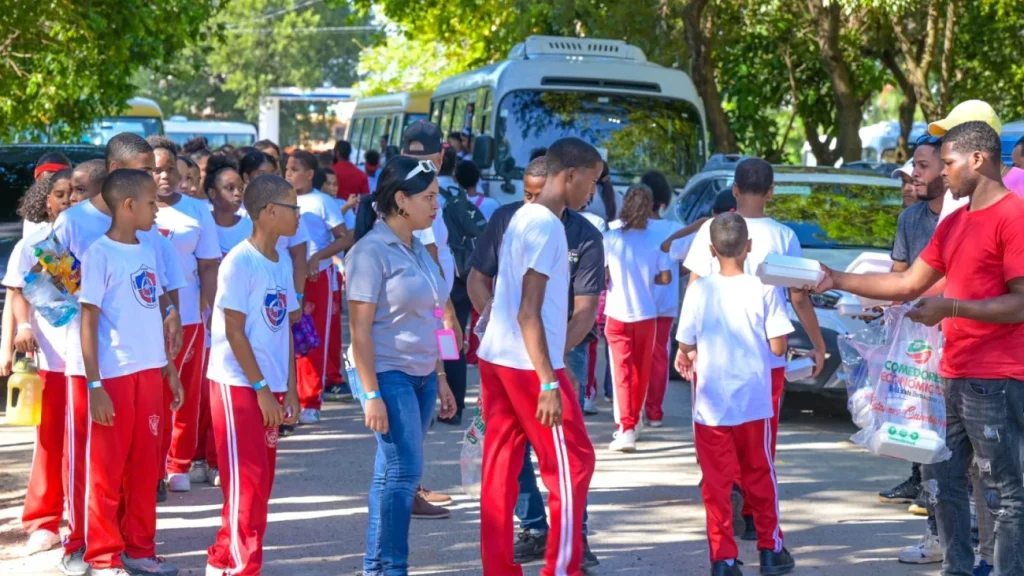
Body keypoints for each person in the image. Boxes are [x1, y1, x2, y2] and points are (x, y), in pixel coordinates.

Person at [814, 121, 1024, 576]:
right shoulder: (954, 222)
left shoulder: (1014, 216)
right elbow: (907, 283)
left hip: (997, 379)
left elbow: (1020, 303)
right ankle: (957, 569)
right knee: (942, 483)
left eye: (947, 162)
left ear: (977, 159)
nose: (938, 173)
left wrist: (950, 306)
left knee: (1003, 493)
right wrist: (837, 279)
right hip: (950, 373)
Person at [53, 133, 187, 576]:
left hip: (146, 366)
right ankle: (88, 547)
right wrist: (92, 372)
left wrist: (168, 329)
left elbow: (160, 290)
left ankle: (137, 548)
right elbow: (51, 291)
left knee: (142, 465)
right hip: (99, 366)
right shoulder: (75, 225)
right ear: (119, 175)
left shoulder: (148, 236)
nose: (156, 180)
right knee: (98, 466)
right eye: (146, 171)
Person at [467, 153, 604, 568]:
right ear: (570, 175)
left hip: (499, 356)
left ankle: (499, 568)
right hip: (528, 365)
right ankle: (560, 566)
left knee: (500, 469)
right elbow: (530, 310)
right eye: (592, 181)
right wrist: (549, 380)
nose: (593, 192)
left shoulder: (521, 216)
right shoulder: (547, 226)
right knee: (573, 465)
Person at [683, 158, 824, 538]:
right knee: (761, 441)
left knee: (717, 433)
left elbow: (694, 283)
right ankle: (753, 514)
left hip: (713, 360)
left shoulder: (712, 231)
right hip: (764, 361)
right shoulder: (783, 236)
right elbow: (797, 295)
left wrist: (686, 348)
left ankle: (725, 490)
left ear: (734, 190)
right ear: (771, 191)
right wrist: (818, 344)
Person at [346, 156, 457, 575]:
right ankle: (392, 568)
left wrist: (442, 376)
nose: (436, 205)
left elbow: (435, 316)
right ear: (400, 200)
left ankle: (377, 567)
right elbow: (358, 333)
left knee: (390, 473)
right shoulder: (369, 252)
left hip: (424, 374)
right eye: (429, 197)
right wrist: (371, 394)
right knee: (405, 472)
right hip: (386, 372)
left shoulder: (418, 249)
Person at [677, 212, 796, 576]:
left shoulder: (699, 289)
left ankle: (723, 558)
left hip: (711, 406)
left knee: (716, 484)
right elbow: (778, 346)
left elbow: (686, 341)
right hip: (753, 401)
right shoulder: (764, 287)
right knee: (760, 474)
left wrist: (687, 354)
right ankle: (770, 550)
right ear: (750, 247)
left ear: (711, 251)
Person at [205, 174, 301, 576]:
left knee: (259, 484)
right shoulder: (239, 262)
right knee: (246, 480)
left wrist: (291, 389)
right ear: (270, 212)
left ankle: (224, 559)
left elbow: (286, 331)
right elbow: (233, 331)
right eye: (293, 208)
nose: (299, 215)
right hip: (239, 384)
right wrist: (261, 389)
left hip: (271, 387)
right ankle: (244, 567)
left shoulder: (279, 262)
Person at [5, 173, 73, 556]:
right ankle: (43, 521)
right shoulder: (32, 245)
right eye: (58, 195)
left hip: (94, 361)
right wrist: (25, 326)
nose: (65, 201)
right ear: (45, 202)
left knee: (84, 444)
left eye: (73, 194)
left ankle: (81, 518)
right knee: (49, 440)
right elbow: (17, 293)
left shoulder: (100, 239)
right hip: (50, 356)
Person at [148, 136, 221, 494]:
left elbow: (208, 266)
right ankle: (152, 464)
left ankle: (177, 463)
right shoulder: (130, 208)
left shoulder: (196, 211)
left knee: (186, 393)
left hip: (189, 315)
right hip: (143, 316)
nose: (163, 176)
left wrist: (215, 314)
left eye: (168, 168)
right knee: (153, 393)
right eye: (155, 169)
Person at [604, 185, 672, 451]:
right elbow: (665, 278)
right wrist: (648, 278)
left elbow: (604, 275)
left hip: (617, 313)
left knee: (621, 372)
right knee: (640, 373)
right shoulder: (656, 241)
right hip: (647, 314)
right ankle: (636, 419)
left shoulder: (610, 238)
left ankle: (626, 427)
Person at [286, 150, 351, 422]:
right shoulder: (282, 199)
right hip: (287, 275)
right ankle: (289, 397)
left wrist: (318, 256)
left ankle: (311, 400)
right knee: (287, 337)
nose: (288, 174)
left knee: (313, 337)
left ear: (310, 174)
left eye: (294, 169)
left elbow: (344, 238)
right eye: (286, 169)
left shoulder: (323, 202)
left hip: (316, 277)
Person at [639, 170, 684, 427]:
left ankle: (630, 413)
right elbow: (690, 263)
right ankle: (654, 411)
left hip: (631, 305)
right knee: (658, 358)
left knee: (632, 359)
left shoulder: (622, 229)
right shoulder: (674, 230)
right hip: (663, 306)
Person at [930, 100, 1024, 221]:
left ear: (982, 138)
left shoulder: (1020, 182)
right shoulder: (954, 193)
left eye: (952, 136)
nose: (945, 144)